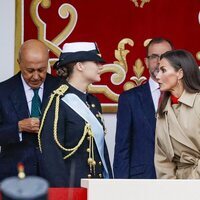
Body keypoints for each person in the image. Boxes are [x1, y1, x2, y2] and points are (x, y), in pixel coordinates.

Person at [38, 42, 113, 187]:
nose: (101, 67)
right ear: (80, 66)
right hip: (73, 188)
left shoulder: (93, 102)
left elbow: (101, 152)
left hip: (96, 187)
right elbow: (51, 157)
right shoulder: (57, 101)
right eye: (96, 62)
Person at [0, 39, 60, 181]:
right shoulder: (3, 91)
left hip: (54, 175)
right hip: (14, 175)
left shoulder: (61, 88)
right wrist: (18, 127)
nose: (36, 76)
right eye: (30, 70)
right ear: (19, 63)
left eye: (41, 70)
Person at [113, 37, 173, 178]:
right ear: (146, 62)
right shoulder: (129, 99)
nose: (159, 62)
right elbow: (122, 148)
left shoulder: (185, 97)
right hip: (141, 181)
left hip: (179, 181)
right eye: (154, 57)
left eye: (165, 56)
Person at [155, 49, 200, 179]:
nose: (157, 76)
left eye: (163, 70)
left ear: (180, 73)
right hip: (177, 187)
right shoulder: (163, 111)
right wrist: (171, 188)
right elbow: (162, 158)